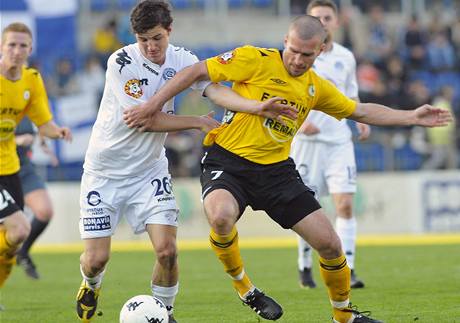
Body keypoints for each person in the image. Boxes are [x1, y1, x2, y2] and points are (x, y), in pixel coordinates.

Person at [124, 15, 452, 323]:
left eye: (306, 55)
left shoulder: (314, 88)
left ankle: (344, 315)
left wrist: (411, 116)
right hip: (228, 160)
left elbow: (360, 111)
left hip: (277, 172)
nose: (297, 60)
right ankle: (244, 288)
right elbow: (196, 72)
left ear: (320, 51)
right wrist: (152, 105)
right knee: (220, 216)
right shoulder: (254, 58)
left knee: (330, 244)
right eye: (293, 51)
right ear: (285, 41)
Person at [75, 2, 294, 323]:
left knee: (168, 251)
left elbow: (215, 91)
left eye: (157, 38)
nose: (151, 46)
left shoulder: (183, 60)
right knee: (96, 259)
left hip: (149, 171)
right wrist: (197, 122)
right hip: (104, 172)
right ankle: (91, 284)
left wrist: (255, 107)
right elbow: (144, 120)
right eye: (143, 39)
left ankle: (165, 314)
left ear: (169, 32)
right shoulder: (121, 62)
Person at [291, 0, 370, 290]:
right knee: (306, 209)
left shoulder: (346, 58)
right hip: (306, 143)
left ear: (336, 22)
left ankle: (347, 267)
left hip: (338, 141)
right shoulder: (301, 56)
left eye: (327, 17)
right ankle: (304, 265)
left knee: (345, 205)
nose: (322, 22)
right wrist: (300, 123)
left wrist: (361, 119)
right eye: (316, 18)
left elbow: (351, 96)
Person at [0, 22, 72, 289]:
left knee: (12, 242)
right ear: (1, 46)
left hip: (11, 167)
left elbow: (43, 123)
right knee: (19, 228)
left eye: (22, 46)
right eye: (11, 44)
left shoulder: (32, 80)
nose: (17, 51)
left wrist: (58, 132)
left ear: (30, 49)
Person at [15, 117, 59, 280]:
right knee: (10, 231)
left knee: (44, 211)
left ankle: (23, 252)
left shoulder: (26, 101)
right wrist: (15, 140)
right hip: (3, 170)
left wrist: (43, 142)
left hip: (24, 169)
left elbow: (40, 125)